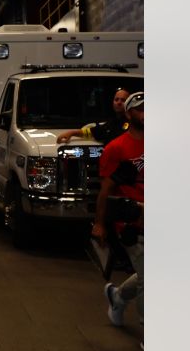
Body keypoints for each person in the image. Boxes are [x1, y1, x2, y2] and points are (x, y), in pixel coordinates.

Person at [92, 91, 144, 330]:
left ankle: (119, 296)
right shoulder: (116, 148)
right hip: (132, 220)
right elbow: (106, 190)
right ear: (129, 113)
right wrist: (100, 224)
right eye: (141, 109)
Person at [57, 87, 131, 145]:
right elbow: (93, 132)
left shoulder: (134, 124)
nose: (119, 102)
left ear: (129, 103)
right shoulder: (112, 123)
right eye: (116, 99)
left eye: (123, 100)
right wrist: (72, 133)